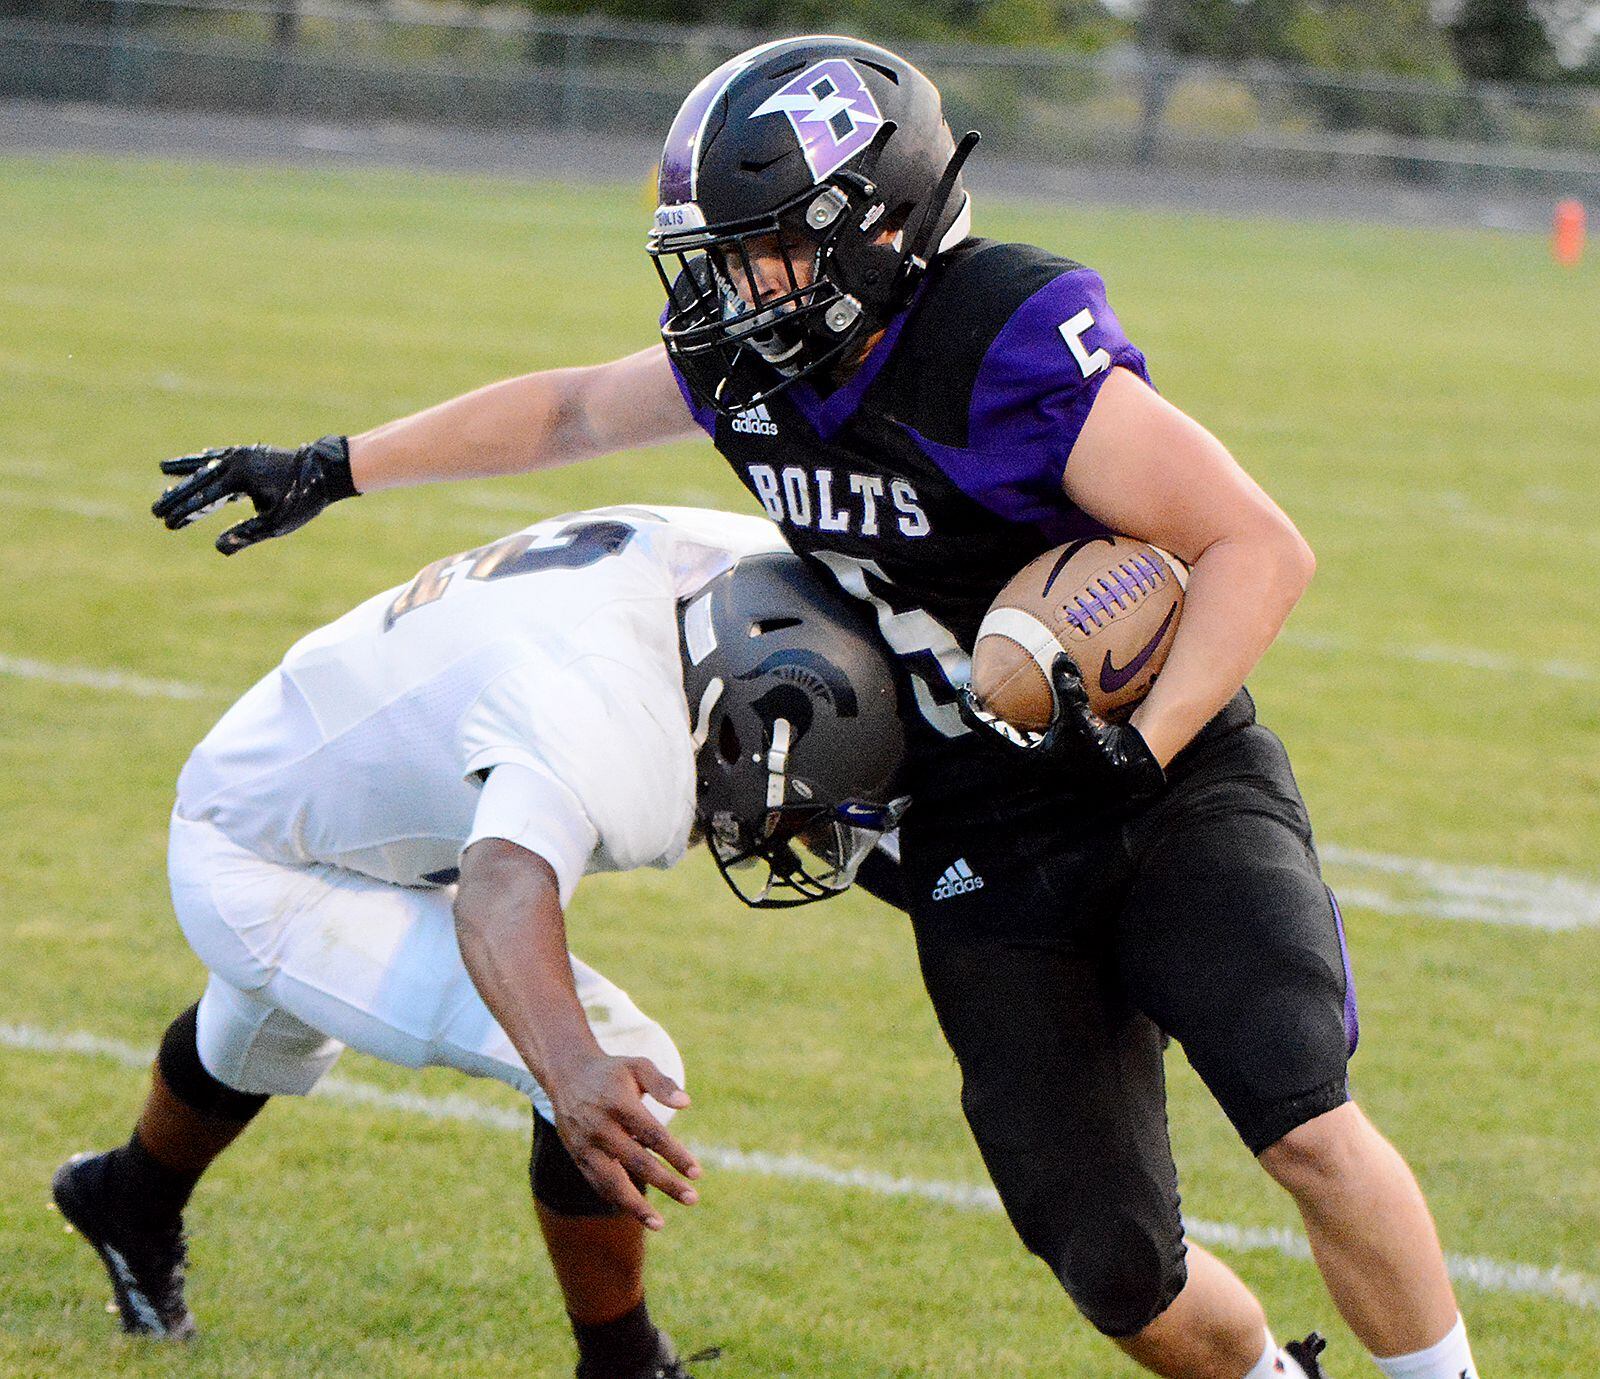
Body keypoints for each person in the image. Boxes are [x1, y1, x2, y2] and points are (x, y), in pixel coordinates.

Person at [146, 35, 1485, 1379]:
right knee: (1114, 1264)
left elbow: (1257, 545)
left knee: (1301, 1113)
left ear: (878, 223)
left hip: (1164, 776)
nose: (737, 284)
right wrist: (333, 465)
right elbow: (565, 412)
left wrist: (1142, 736)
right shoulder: (760, 359)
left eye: (768, 247)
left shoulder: (996, 337)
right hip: (976, 820)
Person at [54, 504, 909, 1379]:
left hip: (320, 775)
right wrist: (571, 1068)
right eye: (793, 807)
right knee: (618, 1063)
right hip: (259, 854)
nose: (792, 832)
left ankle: (125, 1198)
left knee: (264, 1028)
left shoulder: (750, 572)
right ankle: (625, 1364)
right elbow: (501, 894)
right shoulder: (598, 706)